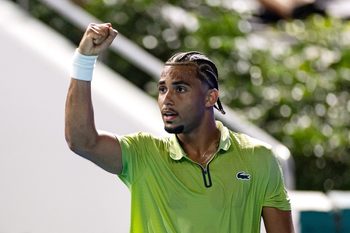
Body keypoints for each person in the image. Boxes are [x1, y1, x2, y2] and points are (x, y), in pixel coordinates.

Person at [65, 23, 294, 233]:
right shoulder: (142, 153)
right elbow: (81, 140)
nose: (167, 99)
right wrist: (84, 59)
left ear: (210, 98)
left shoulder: (258, 158)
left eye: (180, 89)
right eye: (162, 89)